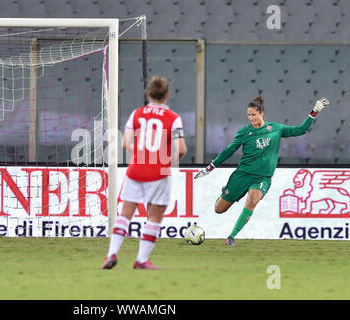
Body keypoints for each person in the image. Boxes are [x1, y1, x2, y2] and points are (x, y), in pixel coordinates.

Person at [194, 96, 330, 246]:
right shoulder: (244, 132)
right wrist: (210, 167)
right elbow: (229, 150)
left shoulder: (276, 129)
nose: (251, 118)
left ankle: (231, 237)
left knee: (252, 200)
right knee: (219, 209)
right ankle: (224, 192)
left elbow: (301, 130)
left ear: (262, 113)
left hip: (262, 178)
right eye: (249, 115)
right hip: (242, 175)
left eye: (254, 114)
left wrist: (315, 111)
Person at [101, 76, 187, 269]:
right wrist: (168, 161)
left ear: (148, 93)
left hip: (136, 169)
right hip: (159, 171)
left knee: (125, 214)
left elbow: (125, 143)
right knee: (154, 217)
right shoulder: (174, 118)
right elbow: (181, 149)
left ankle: (111, 254)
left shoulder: (137, 114)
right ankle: (141, 260)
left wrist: (142, 154)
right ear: (167, 95)